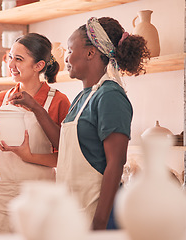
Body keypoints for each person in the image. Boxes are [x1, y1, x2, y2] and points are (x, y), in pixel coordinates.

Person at [8, 17, 150, 230]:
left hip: (97, 215)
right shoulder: (84, 97)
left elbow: (116, 163)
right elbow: (65, 146)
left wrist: (99, 223)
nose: (65, 59)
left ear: (91, 53)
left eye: (71, 51)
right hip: (75, 211)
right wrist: (35, 107)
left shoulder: (110, 96)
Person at [0, 33, 71, 234]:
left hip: (39, 196)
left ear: (38, 65)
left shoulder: (58, 101)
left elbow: (64, 157)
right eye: (10, 57)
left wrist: (28, 157)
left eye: (18, 59)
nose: (11, 64)